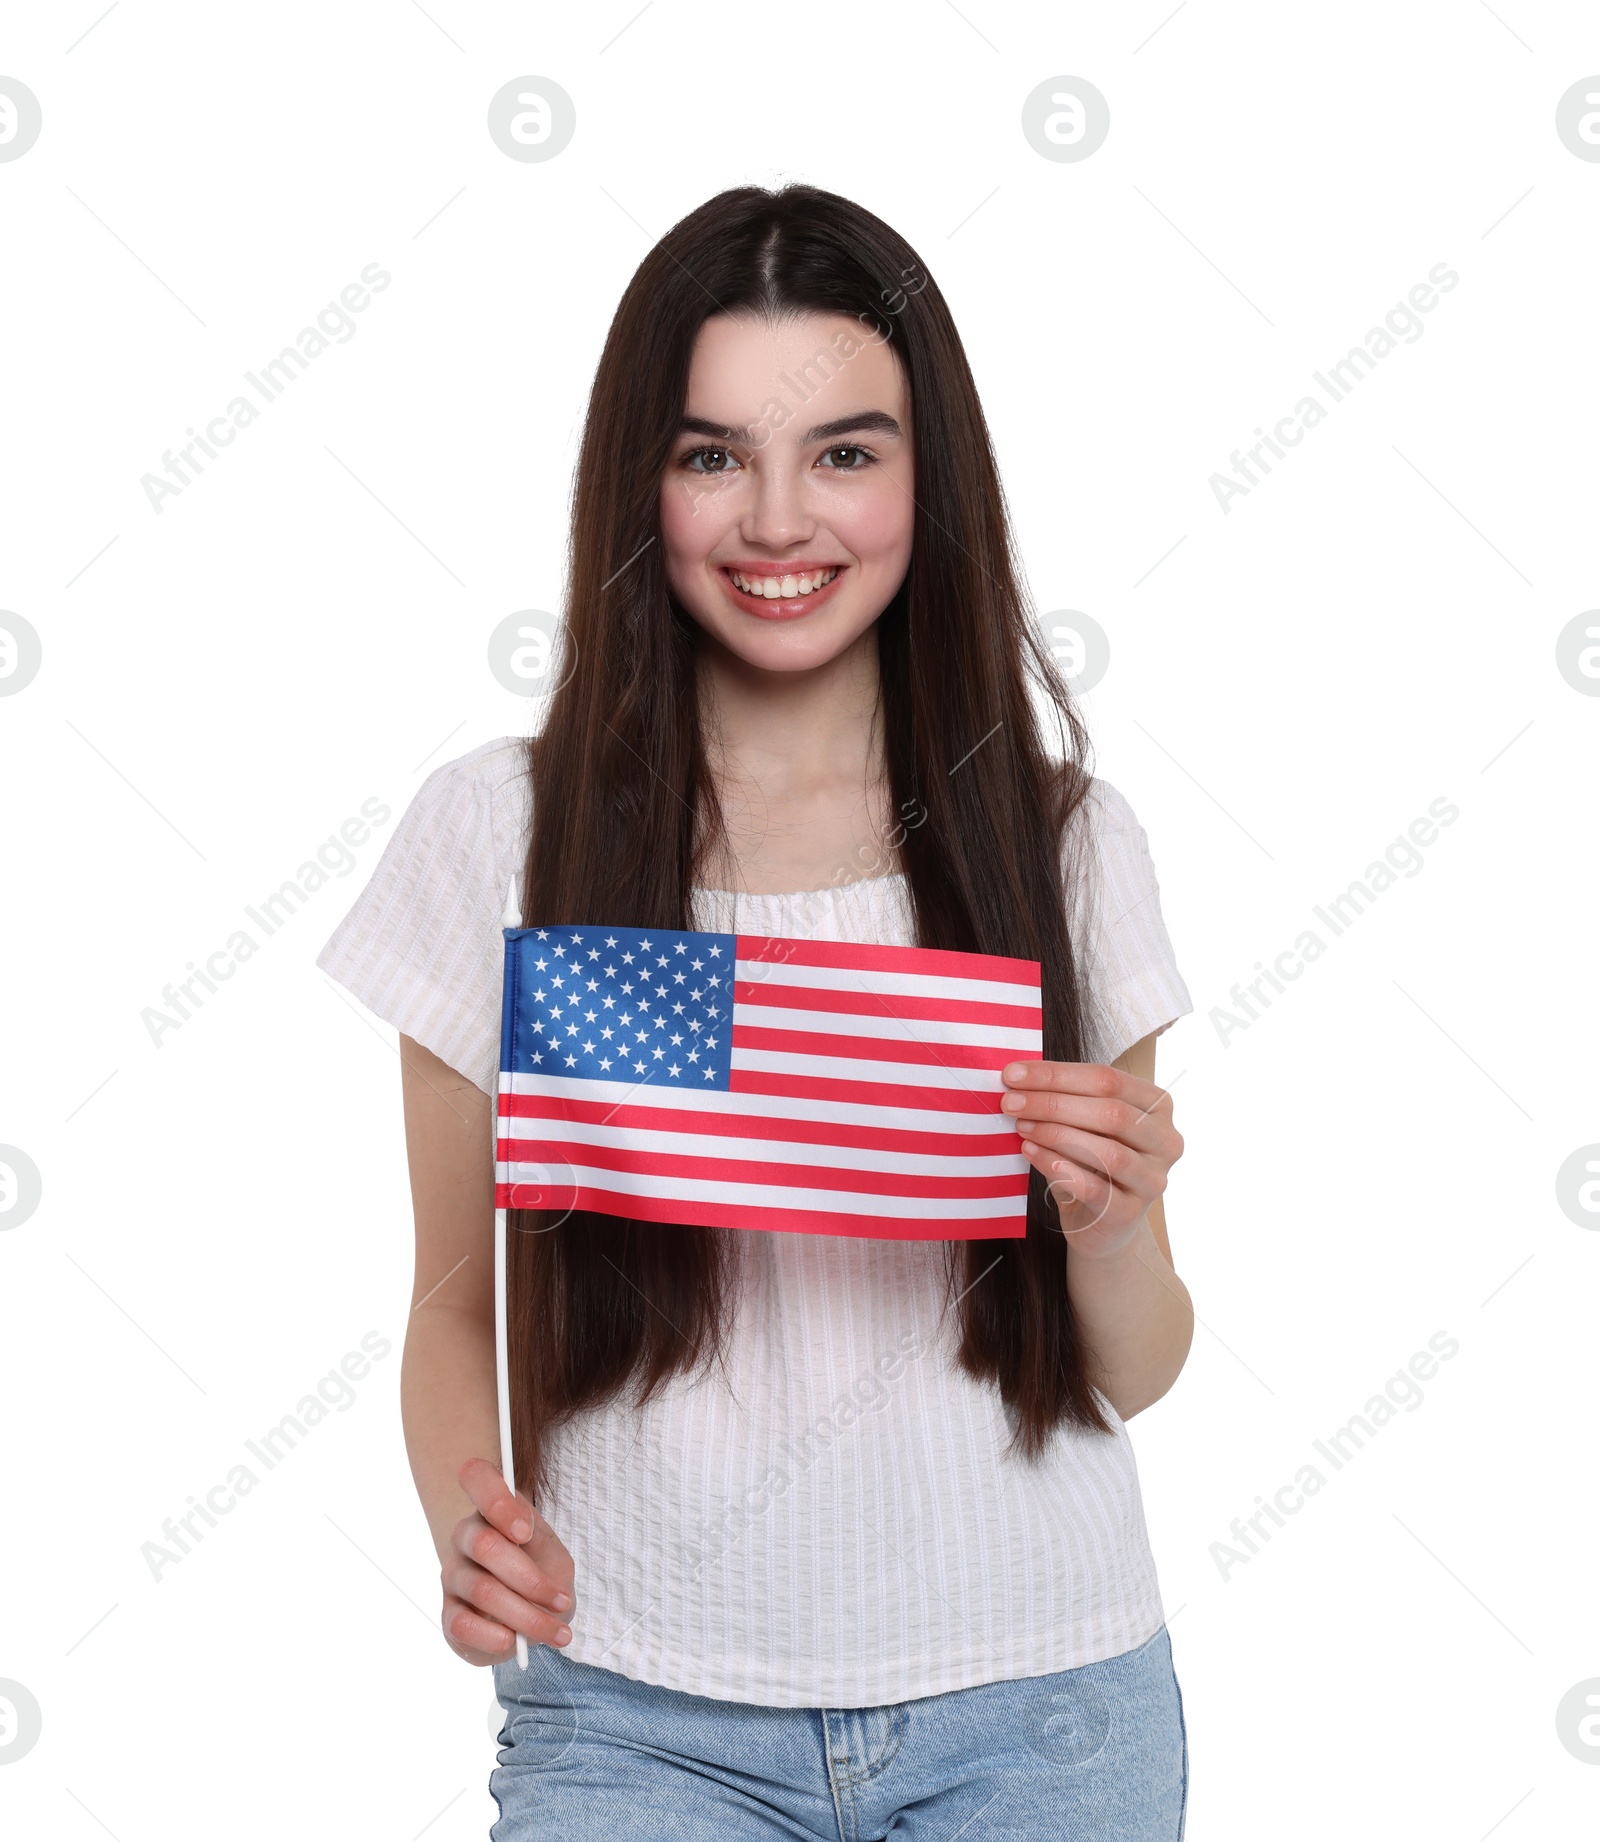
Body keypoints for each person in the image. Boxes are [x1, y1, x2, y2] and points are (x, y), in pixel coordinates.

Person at [317, 182, 1196, 1840]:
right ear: (640, 482)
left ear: (931, 484)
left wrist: (1116, 1222)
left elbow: (1133, 1370)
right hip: (637, 1710)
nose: (778, 518)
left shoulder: (1066, 844)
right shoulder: (500, 832)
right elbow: (452, 1306)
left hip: (1046, 1704)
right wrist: (468, 1515)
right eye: (714, 453)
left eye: (846, 453)